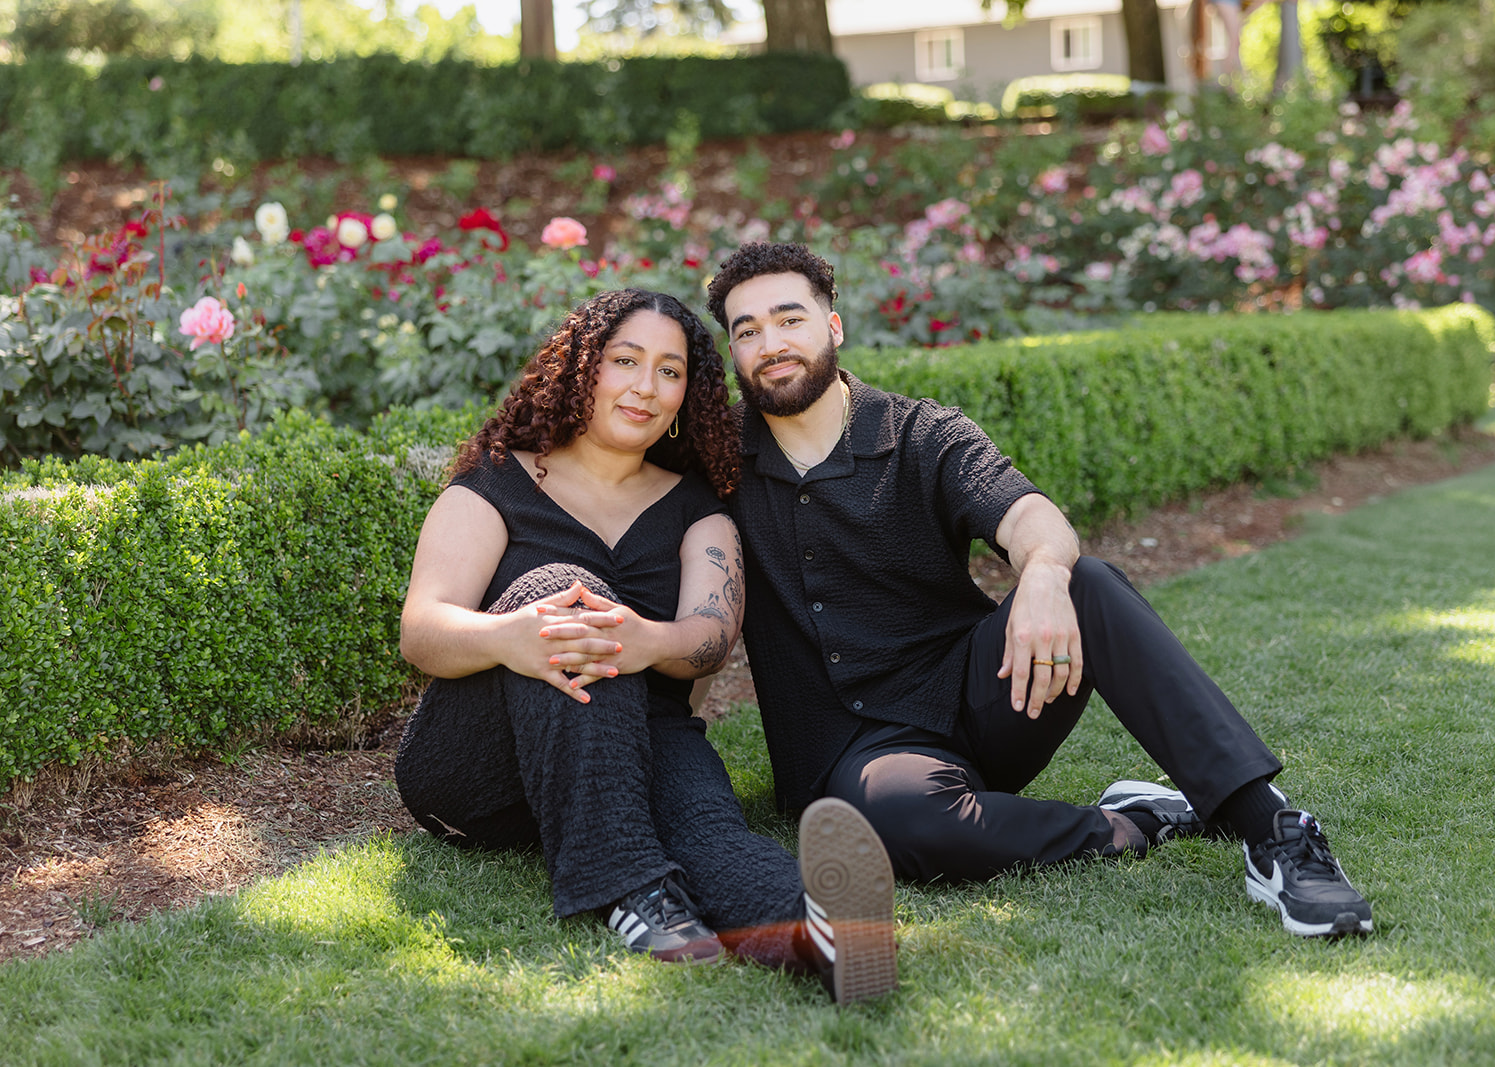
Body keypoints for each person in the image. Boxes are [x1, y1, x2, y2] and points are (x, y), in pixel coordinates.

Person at [704, 244, 1373, 939]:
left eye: (789, 319)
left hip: (983, 694)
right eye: (747, 330)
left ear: (834, 327)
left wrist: (1047, 574)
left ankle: (1273, 831)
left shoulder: (922, 432)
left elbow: (1028, 514)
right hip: (852, 751)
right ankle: (1139, 820)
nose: (770, 343)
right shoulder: (717, 455)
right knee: (900, 823)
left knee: (1087, 581)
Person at [392, 288, 898, 1002]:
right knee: (564, 587)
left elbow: (710, 638)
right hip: (482, 761)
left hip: (648, 737)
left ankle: (828, 931)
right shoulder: (497, 483)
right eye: (624, 361)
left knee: (709, 831)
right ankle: (629, 884)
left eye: (669, 371)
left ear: (687, 395)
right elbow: (423, 629)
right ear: (581, 370)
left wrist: (644, 639)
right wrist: (515, 637)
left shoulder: (700, 511)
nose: (644, 387)